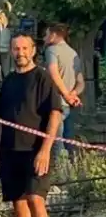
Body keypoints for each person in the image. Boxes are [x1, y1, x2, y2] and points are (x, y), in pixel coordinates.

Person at [0, 35, 63, 217]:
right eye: (16, 48)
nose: (20, 52)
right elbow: (0, 119)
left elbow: (55, 115)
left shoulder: (42, 77)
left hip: (35, 150)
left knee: (35, 199)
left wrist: (45, 149)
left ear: (33, 51)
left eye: (24, 48)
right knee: (18, 202)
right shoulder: (9, 80)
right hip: (10, 150)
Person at [42, 23, 84, 160]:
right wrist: (73, 94)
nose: (44, 38)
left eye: (46, 35)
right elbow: (81, 82)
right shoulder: (73, 53)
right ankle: (73, 173)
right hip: (71, 105)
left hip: (57, 103)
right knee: (69, 141)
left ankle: (61, 176)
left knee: (56, 143)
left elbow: (54, 74)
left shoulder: (51, 50)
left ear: (53, 35)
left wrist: (66, 95)